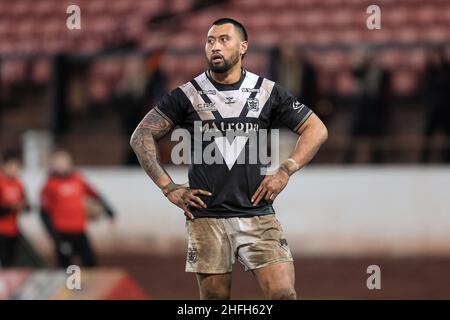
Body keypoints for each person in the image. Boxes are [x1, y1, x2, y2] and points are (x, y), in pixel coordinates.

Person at [130, 18, 328, 300]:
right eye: (210, 41)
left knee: (284, 293)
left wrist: (286, 170)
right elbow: (141, 136)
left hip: (257, 213)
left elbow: (316, 129)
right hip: (206, 217)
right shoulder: (188, 94)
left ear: (243, 47)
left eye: (224, 39)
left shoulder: (266, 91)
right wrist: (168, 187)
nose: (215, 46)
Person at [40, 150, 115, 268]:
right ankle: (67, 286)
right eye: (58, 163)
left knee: (90, 263)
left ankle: (91, 286)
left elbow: (95, 194)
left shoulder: (78, 179)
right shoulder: (49, 185)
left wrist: (109, 210)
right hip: (61, 232)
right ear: (53, 165)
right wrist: (55, 237)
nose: (62, 165)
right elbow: (44, 212)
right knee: (65, 266)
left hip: (79, 230)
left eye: (64, 162)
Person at [420, 46, 450, 163]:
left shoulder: (447, 69)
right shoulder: (430, 71)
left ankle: (446, 158)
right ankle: (424, 160)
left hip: (447, 108)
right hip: (433, 108)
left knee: (447, 135)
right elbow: (426, 88)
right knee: (428, 135)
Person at [0, 152, 29, 267]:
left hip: (13, 230)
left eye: (17, 167)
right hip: (1, 230)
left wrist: (23, 206)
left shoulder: (19, 184)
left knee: (12, 263)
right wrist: (11, 207)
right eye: (11, 166)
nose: (14, 170)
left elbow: (26, 205)